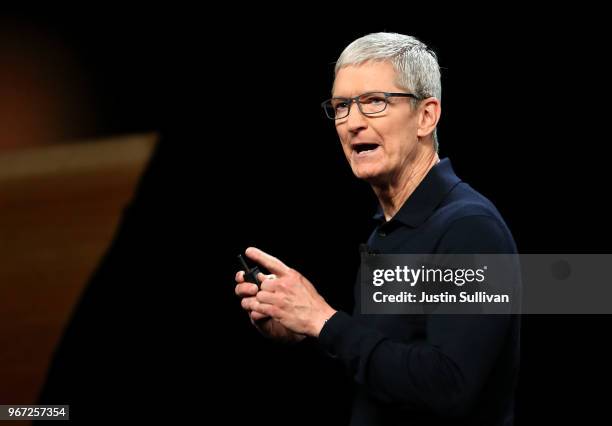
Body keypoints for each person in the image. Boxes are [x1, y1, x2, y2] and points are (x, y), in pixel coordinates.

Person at [235, 32, 520, 425]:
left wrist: (324, 321)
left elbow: (449, 385)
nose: (352, 123)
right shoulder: (386, 232)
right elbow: (384, 375)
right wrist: (304, 328)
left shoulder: (470, 229)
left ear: (426, 116)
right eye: (341, 107)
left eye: (374, 102)